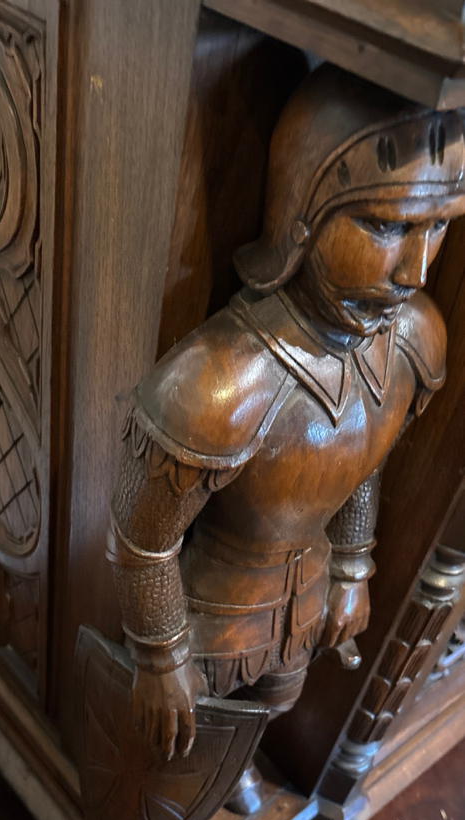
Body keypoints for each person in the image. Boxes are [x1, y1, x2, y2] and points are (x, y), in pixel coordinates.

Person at [107, 64, 465, 766]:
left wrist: (353, 566)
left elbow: (366, 460)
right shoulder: (223, 380)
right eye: (387, 225)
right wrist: (160, 653)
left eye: (438, 227)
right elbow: (141, 536)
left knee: (275, 703)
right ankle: (198, 786)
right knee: (182, 742)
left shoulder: (414, 341)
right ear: (305, 210)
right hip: (214, 611)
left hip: (308, 592)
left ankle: (236, 767)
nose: (416, 271)